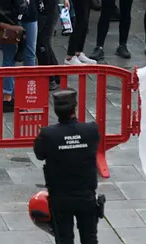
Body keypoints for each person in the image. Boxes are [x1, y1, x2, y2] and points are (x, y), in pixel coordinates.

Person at [33, 88, 101, 244]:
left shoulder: (48, 134)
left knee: (63, 238)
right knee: (90, 238)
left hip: (60, 197)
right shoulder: (90, 130)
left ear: (56, 111)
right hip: (86, 195)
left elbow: (39, 154)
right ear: (75, 108)